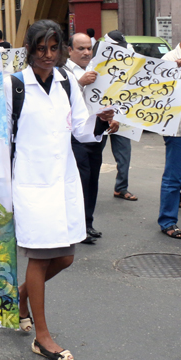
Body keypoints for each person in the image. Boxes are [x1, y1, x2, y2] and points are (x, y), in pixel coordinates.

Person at [6, 20, 114, 360]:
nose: (48, 55)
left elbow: (81, 129)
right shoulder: (14, 86)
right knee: (40, 258)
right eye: (41, 48)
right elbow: (0, 138)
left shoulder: (66, 82)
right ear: (29, 49)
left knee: (65, 257)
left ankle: (20, 297)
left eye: (54, 48)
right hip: (30, 183)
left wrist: (102, 121)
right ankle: (42, 337)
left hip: (62, 181)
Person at [64, 32, 119, 244]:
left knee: (92, 180)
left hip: (96, 134)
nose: (86, 52)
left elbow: (110, 97)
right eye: (81, 48)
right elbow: (61, 101)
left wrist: (113, 119)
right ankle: (76, 226)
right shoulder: (63, 72)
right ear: (70, 50)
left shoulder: (99, 69)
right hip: (75, 136)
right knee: (80, 181)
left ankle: (88, 223)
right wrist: (80, 83)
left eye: (89, 48)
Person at [97, 30, 138, 201]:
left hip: (122, 116)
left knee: (124, 155)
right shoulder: (95, 63)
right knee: (93, 155)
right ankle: (87, 187)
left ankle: (121, 188)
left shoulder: (130, 61)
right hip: (100, 116)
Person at [158, 28, 181, 239]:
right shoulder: (168, 60)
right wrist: (172, 71)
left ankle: (175, 199)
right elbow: (155, 90)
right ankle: (167, 221)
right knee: (173, 176)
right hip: (178, 129)